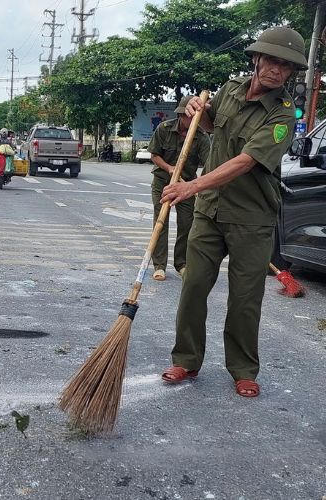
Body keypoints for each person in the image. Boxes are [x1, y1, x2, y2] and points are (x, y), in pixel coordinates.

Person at [159, 26, 306, 398]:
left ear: (291, 73)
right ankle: (186, 359)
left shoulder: (283, 115)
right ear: (256, 59)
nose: (277, 70)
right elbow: (211, 127)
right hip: (210, 211)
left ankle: (242, 369)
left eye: (286, 66)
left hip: (252, 217)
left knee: (244, 298)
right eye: (271, 60)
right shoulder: (231, 89)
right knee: (193, 286)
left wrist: (192, 186)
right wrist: (198, 110)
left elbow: (245, 161)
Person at [147, 95, 211, 281]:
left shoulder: (201, 136)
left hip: (185, 185)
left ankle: (181, 264)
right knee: (161, 221)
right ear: (182, 115)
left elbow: (208, 163)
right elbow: (154, 155)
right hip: (163, 182)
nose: (191, 120)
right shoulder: (164, 128)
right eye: (188, 116)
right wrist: (169, 168)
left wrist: (200, 184)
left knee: (187, 223)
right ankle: (159, 265)